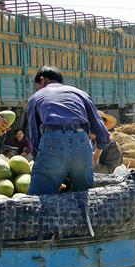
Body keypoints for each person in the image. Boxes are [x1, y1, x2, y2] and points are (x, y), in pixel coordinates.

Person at [27, 66, 110, 195]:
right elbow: (101, 130)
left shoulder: (36, 97)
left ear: (42, 80)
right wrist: (96, 154)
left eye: (37, 85)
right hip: (82, 143)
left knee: (39, 198)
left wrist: (45, 164)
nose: (37, 89)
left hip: (53, 142)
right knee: (83, 197)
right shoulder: (81, 94)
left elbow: (34, 136)